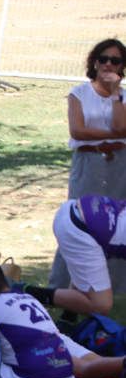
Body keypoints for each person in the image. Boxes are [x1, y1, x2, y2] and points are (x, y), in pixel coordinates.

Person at [50, 38, 126, 293]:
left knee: (116, 223)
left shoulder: (123, 96)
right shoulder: (79, 93)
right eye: (103, 58)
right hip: (88, 161)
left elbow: (120, 127)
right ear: (94, 62)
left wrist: (116, 94)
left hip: (119, 164)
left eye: (115, 60)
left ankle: (113, 288)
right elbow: (78, 131)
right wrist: (112, 136)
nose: (108, 64)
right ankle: (61, 284)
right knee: (78, 218)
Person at [29, 195, 125, 316]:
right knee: (101, 305)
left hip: (72, 211)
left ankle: (68, 317)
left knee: (88, 279)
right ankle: (26, 291)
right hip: (79, 229)